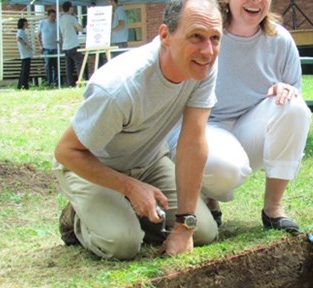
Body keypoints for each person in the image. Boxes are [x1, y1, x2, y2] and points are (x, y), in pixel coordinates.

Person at [54, 0, 223, 260]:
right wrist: (130, 188)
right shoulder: (119, 88)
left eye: (215, 38)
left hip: (148, 162)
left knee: (203, 231)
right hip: (92, 167)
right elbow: (66, 152)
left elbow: (193, 142)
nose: (208, 50)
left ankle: (126, 212)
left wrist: (183, 226)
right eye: (196, 37)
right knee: (122, 244)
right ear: (165, 36)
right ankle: (76, 219)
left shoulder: (201, 66)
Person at [167, 0, 312, 233]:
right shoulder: (208, 35)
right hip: (205, 127)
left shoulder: (281, 40)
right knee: (226, 169)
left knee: (293, 106)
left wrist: (284, 89)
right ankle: (208, 196)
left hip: (250, 127)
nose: (255, 2)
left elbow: (296, 104)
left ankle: (273, 208)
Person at [59, 1, 84, 87]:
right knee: (79, 63)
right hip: (73, 44)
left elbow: (72, 29)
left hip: (65, 45)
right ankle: (80, 81)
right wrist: (76, 18)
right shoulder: (71, 18)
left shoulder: (61, 18)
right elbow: (80, 29)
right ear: (70, 8)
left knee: (69, 67)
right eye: (72, 7)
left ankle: (70, 84)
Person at [38, 9, 59, 87]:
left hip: (55, 48)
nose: (53, 18)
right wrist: (40, 45)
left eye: (54, 16)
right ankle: (50, 82)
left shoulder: (57, 24)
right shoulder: (42, 23)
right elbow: (38, 36)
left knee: (56, 66)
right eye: (52, 16)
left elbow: (60, 35)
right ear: (48, 16)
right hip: (46, 48)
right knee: (48, 66)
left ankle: (55, 82)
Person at [16, 18, 33, 90]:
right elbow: (18, 39)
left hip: (26, 54)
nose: (27, 25)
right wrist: (26, 45)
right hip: (25, 54)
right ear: (23, 24)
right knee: (25, 71)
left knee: (24, 70)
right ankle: (24, 85)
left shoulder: (22, 31)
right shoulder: (20, 32)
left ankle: (21, 85)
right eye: (26, 23)